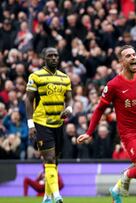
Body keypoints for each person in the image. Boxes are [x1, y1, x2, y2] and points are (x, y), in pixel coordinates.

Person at [76, 45, 136, 203]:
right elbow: (99, 109)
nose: (133, 57)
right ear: (121, 62)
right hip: (131, 135)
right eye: (128, 56)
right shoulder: (113, 85)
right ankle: (126, 176)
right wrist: (89, 132)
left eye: (134, 54)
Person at [25, 47, 72, 203]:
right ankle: (57, 196)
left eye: (56, 56)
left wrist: (69, 108)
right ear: (43, 58)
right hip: (41, 123)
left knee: (55, 160)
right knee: (49, 159)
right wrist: (31, 124)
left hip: (58, 124)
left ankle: (46, 197)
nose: (53, 58)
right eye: (50, 56)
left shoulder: (65, 77)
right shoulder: (35, 76)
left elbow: (69, 98)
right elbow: (28, 101)